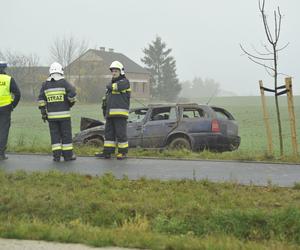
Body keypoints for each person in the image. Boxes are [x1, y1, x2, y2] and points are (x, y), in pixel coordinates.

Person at [38, 62, 77, 162]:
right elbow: (72, 93)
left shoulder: (45, 84)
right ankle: (68, 156)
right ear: (60, 71)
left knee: (55, 136)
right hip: (64, 116)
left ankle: (56, 156)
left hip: (51, 117)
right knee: (66, 135)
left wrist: (43, 112)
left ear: (50, 72)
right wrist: (70, 103)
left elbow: (41, 99)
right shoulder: (63, 82)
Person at [96, 61, 131, 160]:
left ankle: (123, 153)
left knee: (121, 134)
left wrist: (109, 85)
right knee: (109, 134)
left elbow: (116, 87)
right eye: (113, 71)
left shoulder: (125, 81)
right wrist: (104, 111)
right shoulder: (111, 83)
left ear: (121, 72)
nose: (114, 73)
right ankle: (107, 152)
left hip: (120, 114)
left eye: (116, 71)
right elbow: (106, 99)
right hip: (110, 114)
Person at [0, 61, 21, 160]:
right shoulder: (8, 79)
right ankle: (1, 154)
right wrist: (12, 105)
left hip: (5, 108)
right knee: (3, 131)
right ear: (4, 69)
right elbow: (17, 94)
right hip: (5, 109)